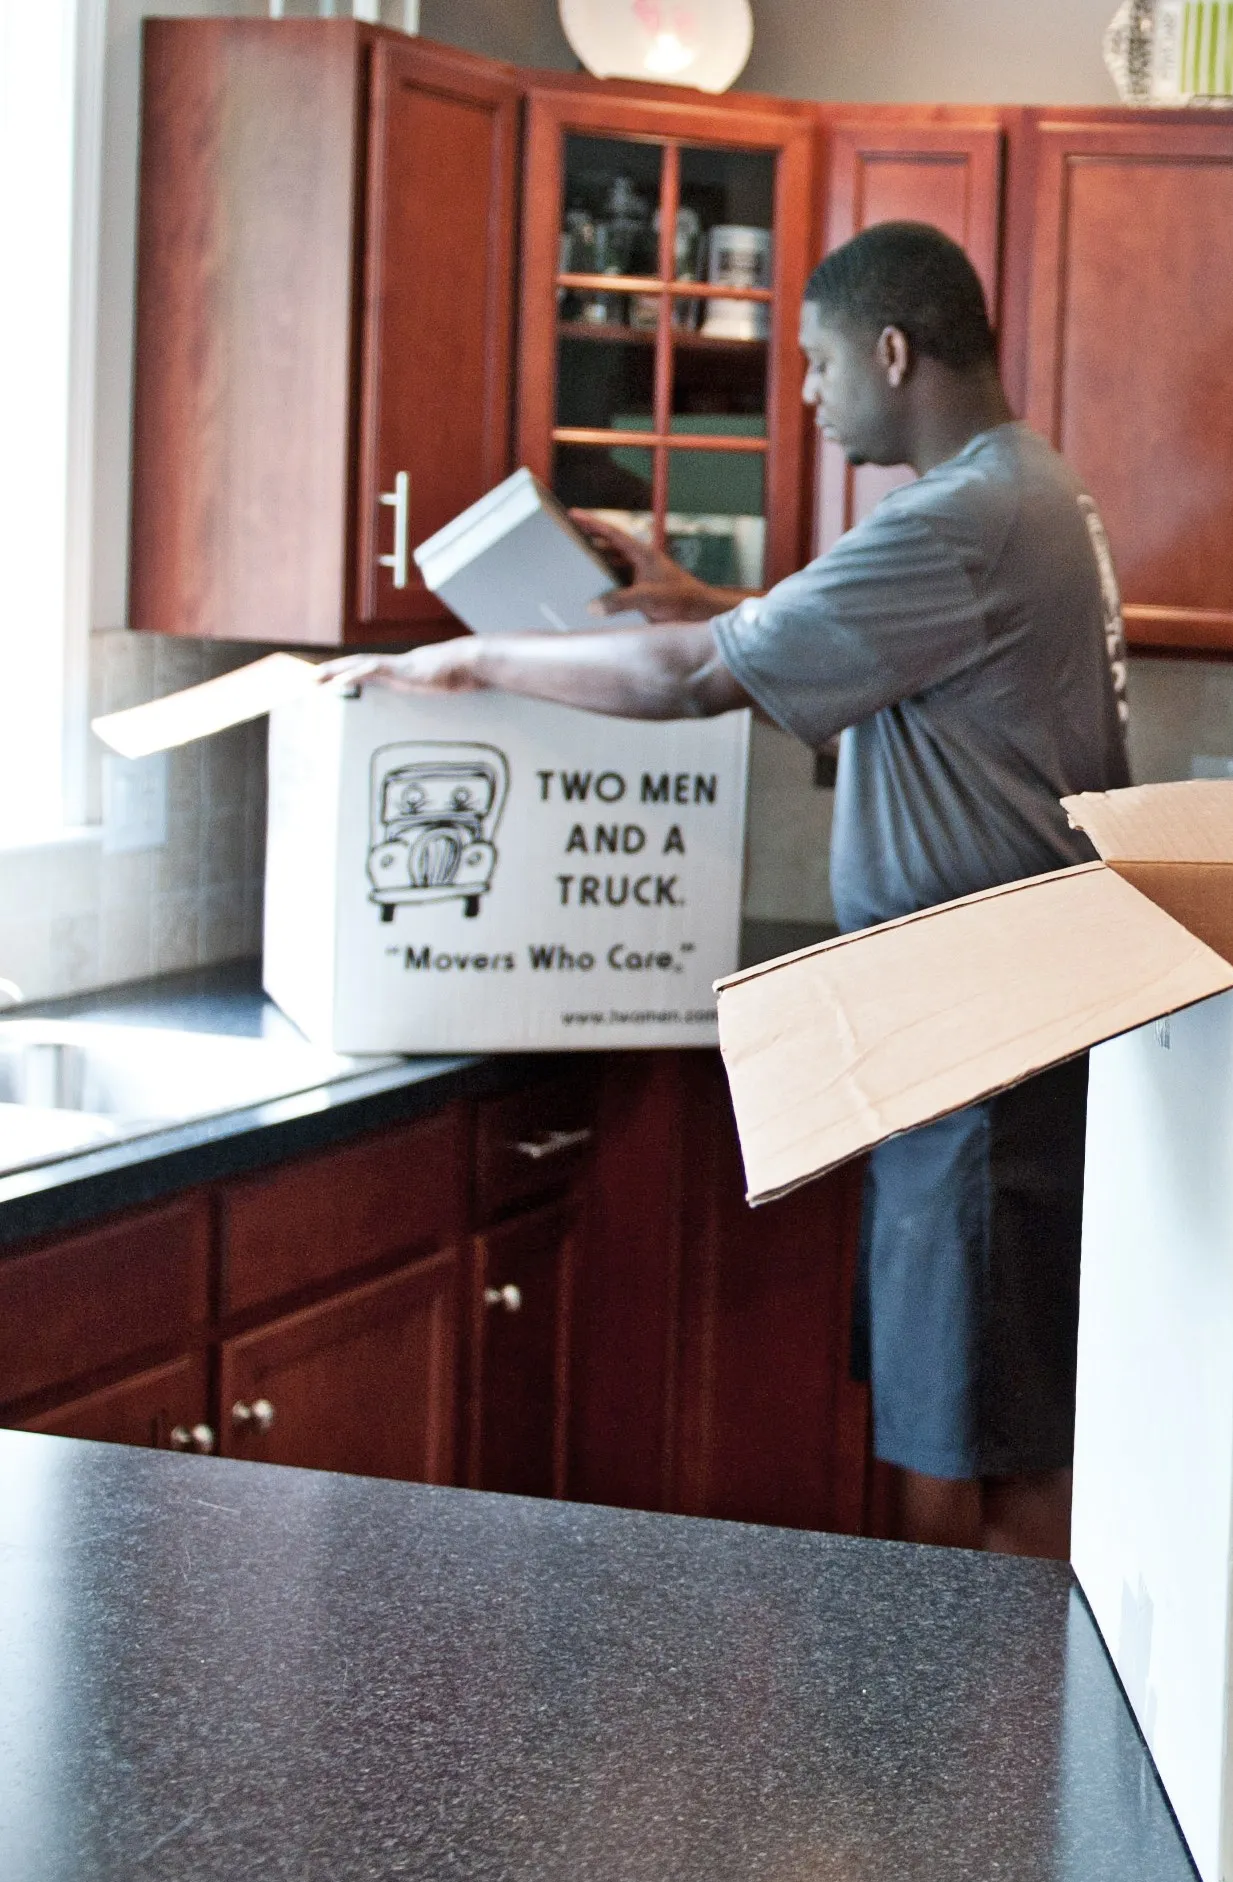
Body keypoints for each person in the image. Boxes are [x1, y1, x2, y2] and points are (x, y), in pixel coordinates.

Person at [330, 221, 1132, 1559]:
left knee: (986, 1456)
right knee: (973, 1421)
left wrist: (470, 667)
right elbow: (843, 635)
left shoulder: (964, 513)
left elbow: (687, 682)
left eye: (818, 364)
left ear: (891, 349)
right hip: (987, 1031)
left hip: (987, 1042)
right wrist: (704, 593)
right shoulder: (1018, 487)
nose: (807, 395)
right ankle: (969, 1743)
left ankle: (989, 1759)